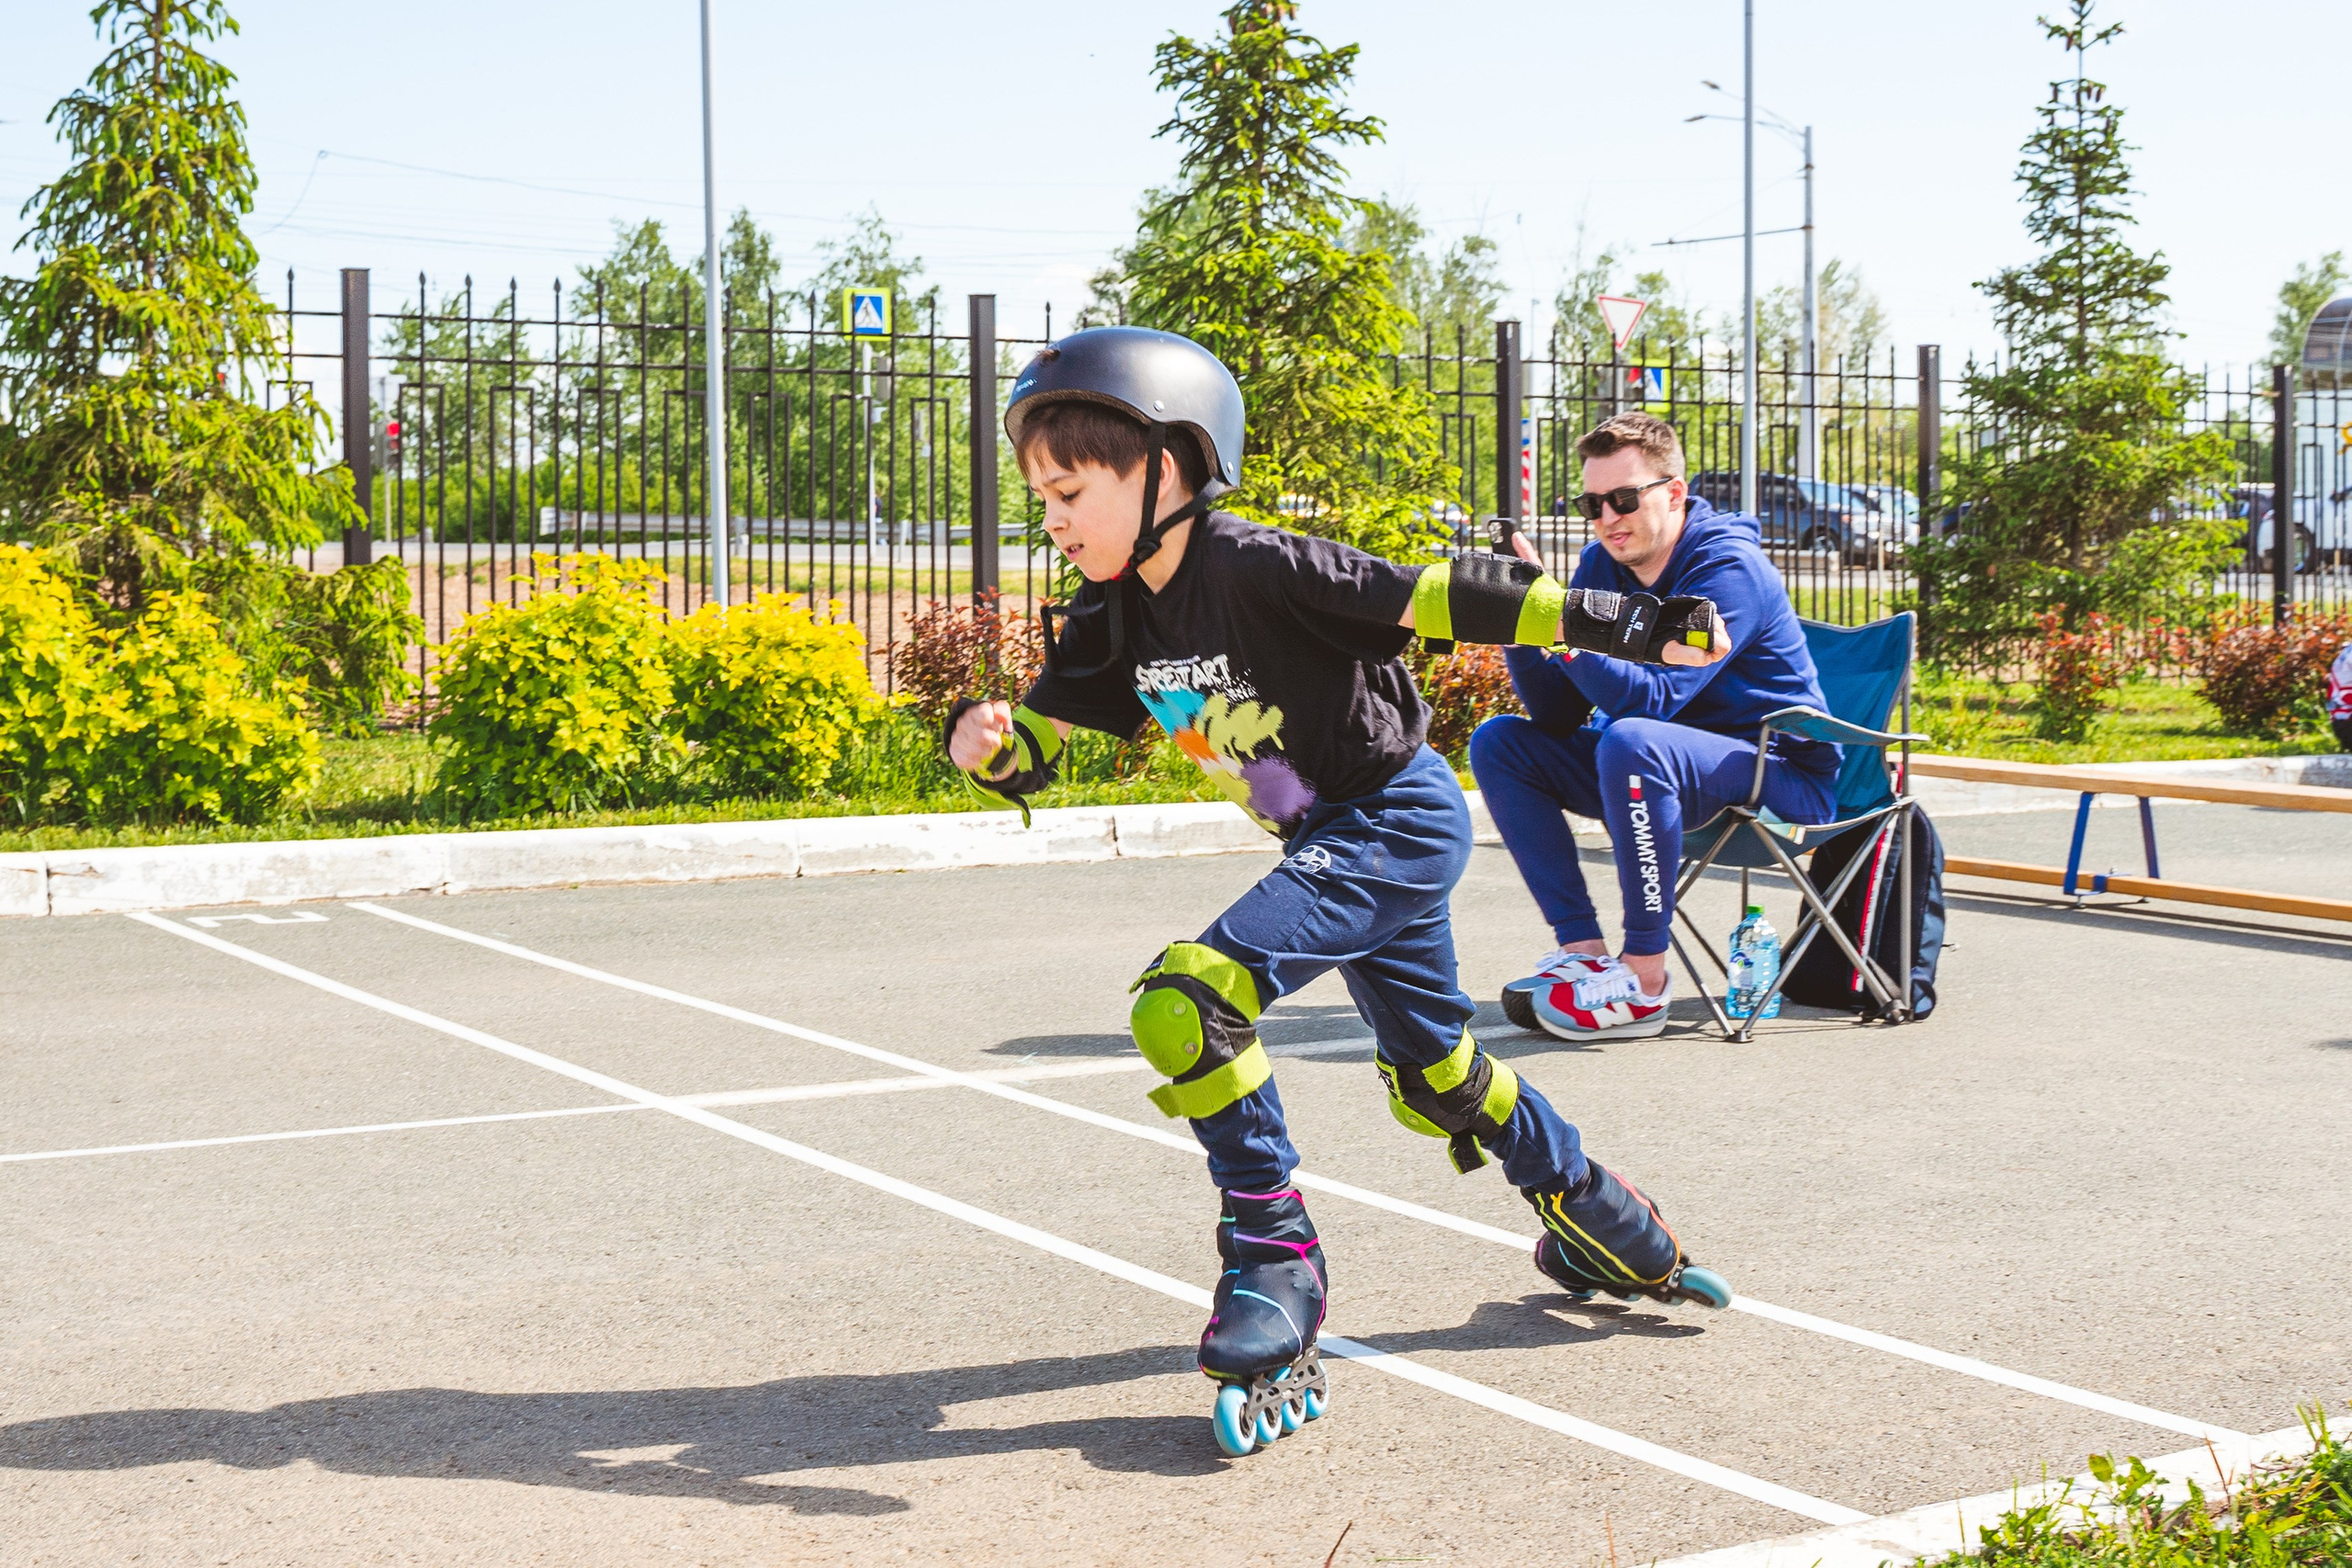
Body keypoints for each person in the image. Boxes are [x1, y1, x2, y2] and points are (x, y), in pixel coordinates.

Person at [942, 327, 1733, 1458]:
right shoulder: (1118, 619)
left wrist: (1624, 620)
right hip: (1327, 840)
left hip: (1395, 818)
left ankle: (1274, 1252)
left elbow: (1435, 594)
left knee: (1189, 999)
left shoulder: (1254, 565)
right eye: (1042, 497)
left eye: (1070, 489)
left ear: (1167, 467)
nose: (1055, 519)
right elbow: (1043, 741)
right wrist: (992, 745)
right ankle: (1597, 1209)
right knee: (1436, 1076)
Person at [1469, 412, 1842, 1042]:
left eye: (1623, 498)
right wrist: (1523, 624)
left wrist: (1565, 632)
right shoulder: (1602, 563)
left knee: (1632, 738)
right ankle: (1587, 954)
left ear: (1674, 492)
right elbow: (1558, 715)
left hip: (1777, 770)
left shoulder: (1727, 570)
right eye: (1593, 503)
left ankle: (1644, 979)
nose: (1608, 518)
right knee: (1501, 743)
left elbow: (1658, 700)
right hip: (1659, 767)